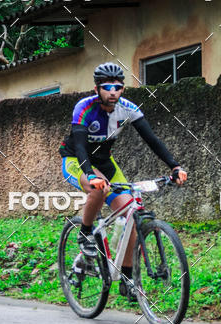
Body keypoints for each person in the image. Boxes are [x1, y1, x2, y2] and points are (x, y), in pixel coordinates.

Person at [59, 62, 187, 301]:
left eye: (117, 87)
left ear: (123, 89)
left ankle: (127, 279)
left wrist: (175, 166)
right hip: (76, 159)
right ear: (97, 89)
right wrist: (90, 174)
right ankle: (85, 233)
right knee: (98, 188)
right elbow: (80, 146)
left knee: (131, 212)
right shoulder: (84, 108)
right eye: (107, 87)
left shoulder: (128, 108)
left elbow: (152, 140)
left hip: (105, 162)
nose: (112, 92)